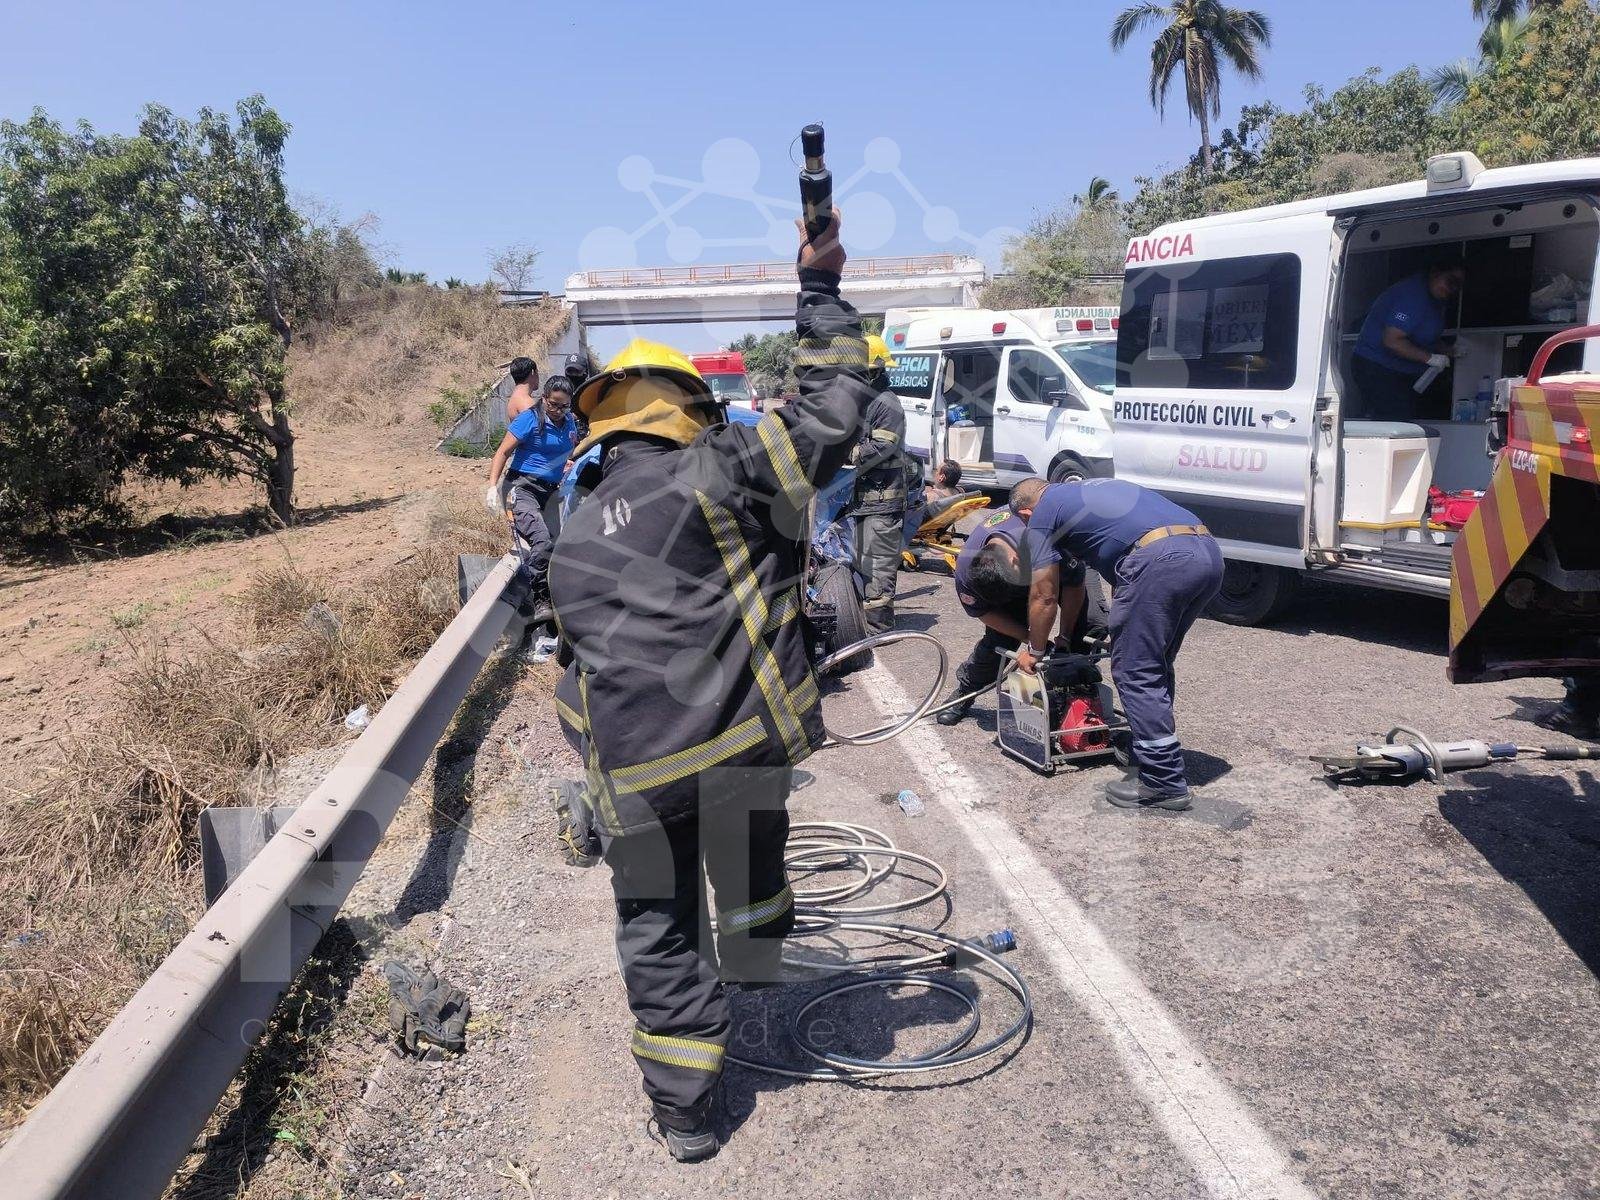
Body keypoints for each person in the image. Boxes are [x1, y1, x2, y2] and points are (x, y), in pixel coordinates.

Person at [546, 208, 875, 1161]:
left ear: (604, 423)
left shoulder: (569, 540)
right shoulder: (719, 469)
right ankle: (760, 966)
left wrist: (604, 773)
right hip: (737, 753)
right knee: (749, 826)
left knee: (655, 929)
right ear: (688, 406)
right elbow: (831, 414)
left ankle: (686, 1113)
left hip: (635, 782)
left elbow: (577, 680)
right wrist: (817, 292)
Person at [1017, 478, 1223, 810]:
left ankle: (1164, 781)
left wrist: (1035, 650)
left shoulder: (1042, 514)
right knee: (1154, 663)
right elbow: (1117, 560)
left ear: (1026, 513)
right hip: (1206, 553)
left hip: (1160, 561)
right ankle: (1152, 751)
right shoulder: (1089, 490)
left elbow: (1044, 595)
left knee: (1134, 671)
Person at [936, 477, 1107, 727]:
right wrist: (1031, 639)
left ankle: (1075, 692)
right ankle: (966, 690)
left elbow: (1073, 586)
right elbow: (984, 612)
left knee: (1092, 624)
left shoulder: (1046, 537)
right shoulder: (967, 570)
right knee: (999, 641)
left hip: (1062, 569)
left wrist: (1064, 638)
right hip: (1022, 575)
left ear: (1017, 559)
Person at [486, 375, 579, 626]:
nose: (558, 411)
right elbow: (503, 452)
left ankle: (560, 596)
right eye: (553, 404)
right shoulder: (530, 419)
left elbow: (569, 451)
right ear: (544, 398)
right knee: (542, 540)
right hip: (522, 487)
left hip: (550, 491)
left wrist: (567, 464)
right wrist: (492, 487)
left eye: (564, 406)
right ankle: (541, 600)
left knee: (564, 544)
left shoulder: (569, 422)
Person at [1351, 256, 1467, 420]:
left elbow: (1423, 338)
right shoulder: (1412, 296)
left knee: (1413, 414)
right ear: (1435, 273)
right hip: (1377, 366)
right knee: (1395, 418)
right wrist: (1430, 358)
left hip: (1405, 371)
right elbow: (1392, 340)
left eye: (1458, 286)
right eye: (1450, 281)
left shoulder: (1436, 301)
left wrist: (1449, 350)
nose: (1453, 289)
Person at [846, 333, 909, 633]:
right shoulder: (866, 401)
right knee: (862, 561)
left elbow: (882, 447)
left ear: (875, 371)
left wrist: (849, 453)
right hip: (865, 499)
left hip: (883, 500)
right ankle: (865, 622)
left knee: (879, 565)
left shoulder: (887, 404)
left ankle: (880, 628)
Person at [504, 356, 540, 423]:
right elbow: (534, 431)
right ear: (532, 372)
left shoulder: (515, 397)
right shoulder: (525, 402)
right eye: (537, 372)